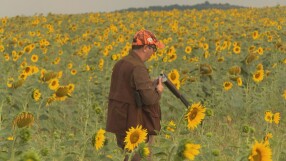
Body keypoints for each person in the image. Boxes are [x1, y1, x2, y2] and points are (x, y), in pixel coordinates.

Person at [106, 29, 165, 161]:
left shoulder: (121, 63)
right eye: (153, 48)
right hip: (135, 123)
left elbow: (128, 89)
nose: (153, 53)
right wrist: (158, 90)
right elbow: (149, 99)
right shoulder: (137, 67)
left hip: (120, 120)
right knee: (140, 157)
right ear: (145, 48)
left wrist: (149, 84)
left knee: (128, 156)